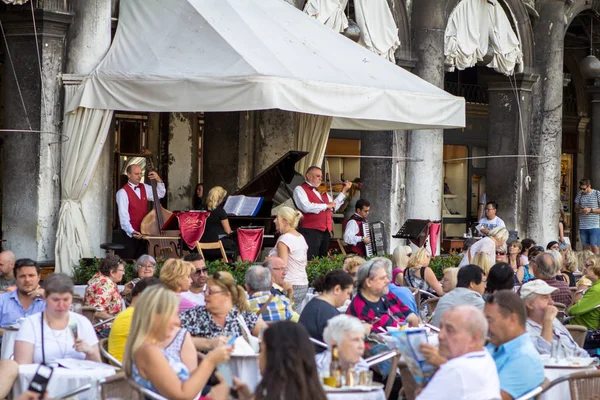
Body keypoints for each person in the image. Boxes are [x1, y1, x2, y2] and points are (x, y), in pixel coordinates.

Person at [123, 285, 231, 400]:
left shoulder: (148, 347)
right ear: (154, 316)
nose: (178, 321)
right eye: (173, 314)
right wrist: (210, 361)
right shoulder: (148, 351)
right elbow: (182, 395)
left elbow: (181, 385)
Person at [417, 305, 500, 400]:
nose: (440, 336)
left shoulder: (456, 370)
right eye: (441, 328)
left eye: (450, 330)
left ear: (474, 338)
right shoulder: (485, 357)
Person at [14, 273, 101, 364]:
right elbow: (23, 367)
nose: (61, 305)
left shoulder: (82, 322)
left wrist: (90, 351)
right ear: (45, 297)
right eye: (55, 300)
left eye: (66, 299)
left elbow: (98, 366)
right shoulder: (31, 324)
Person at [233, 321, 328, 400]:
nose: (258, 357)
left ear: (274, 357)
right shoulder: (314, 394)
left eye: (261, 351)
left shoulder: (276, 395)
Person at [484, 290, 545, 400]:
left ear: (512, 320)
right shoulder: (497, 345)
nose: (486, 327)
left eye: (490, 320)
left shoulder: (524, 358)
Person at [180, 271, 267, 344]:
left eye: (211, 291)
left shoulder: (244, 316)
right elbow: (173, 337)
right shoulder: (194, 315)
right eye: (205, 291)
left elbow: (270, 338)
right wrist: (206, 343)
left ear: (227, 295)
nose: (205, 294)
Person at [293, 166, 351, 260]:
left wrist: (343, 192)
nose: (321, 178)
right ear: (308, 176)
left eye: (321, 176)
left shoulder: (322, 192)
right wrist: (325, 206)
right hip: (310, 230)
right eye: (318, 176)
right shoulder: (300, 189)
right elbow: (306, 207)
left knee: (322, 258)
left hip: (325, 230)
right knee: (311, 258)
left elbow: (333, 206)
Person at [347, 258, 420, 331]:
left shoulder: (387, 295)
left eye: (386, 277)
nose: (388, 281)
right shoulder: (361, 307)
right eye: (382, 278)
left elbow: (411, 316)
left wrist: (412, 318)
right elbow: (376, 339)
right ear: (369, 282)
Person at [521, 280, 589, 358]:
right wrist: (548, 322)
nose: (552, 302)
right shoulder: (523, 330)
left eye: (551, 297)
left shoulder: (554, 321)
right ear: (529, 304)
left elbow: (575, 348)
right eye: (545, 298)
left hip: (581, 364)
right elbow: (546, 356)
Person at [116, 164, 165, 259]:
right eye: (136, 174)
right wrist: (132, 231)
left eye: (140, 174)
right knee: (129, 262)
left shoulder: (145, 187)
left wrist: (158, 180)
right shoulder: (122, 193)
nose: (139, 176)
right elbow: (123, 216)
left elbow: (160, 194)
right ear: (129, 175)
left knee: (142, 262)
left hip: (144, 233)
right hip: (129, 235)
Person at [108, 277, 163, 362]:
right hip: (127, 370)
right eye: (155, 296)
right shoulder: (131, 316)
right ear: (141, 294)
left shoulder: (134, 314)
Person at [299, 269, 354, 351]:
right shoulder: (328, 312)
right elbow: (341, 346)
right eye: (348, 293)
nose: (348, 298)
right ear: (337, 289)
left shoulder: (315, 304)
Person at [268, 206, 309, 311]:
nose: (274, 221)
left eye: (277, 218)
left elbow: (282, 266)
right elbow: (305, 263)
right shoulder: (300, 237)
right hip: (303, 283)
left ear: (285, 221)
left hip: (289, 284)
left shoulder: (285, 239)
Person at [0, 259, 46, 332]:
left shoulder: (47, 302)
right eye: (22, 276)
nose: (27, 280)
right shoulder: (2, 300)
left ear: (39, 277)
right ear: (16, 279)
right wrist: (12, 333)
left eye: (31, 275)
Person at [83, 254, 125, 320]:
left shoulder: (97, 278)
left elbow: (107, 299)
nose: (123, 273)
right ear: (112, 272)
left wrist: (123, 293)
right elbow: (96, 311)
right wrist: (116, 320)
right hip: (104, 328)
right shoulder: (107, 284)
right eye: (122, 270)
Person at [201, 186, 234, 260]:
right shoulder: (220, 211)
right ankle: (236, 267)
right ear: (220, 199)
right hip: (217, 245)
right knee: (237, 245)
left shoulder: (201, 210)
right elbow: (228, 231)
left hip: (202, 244)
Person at [567, 256, 600, 330]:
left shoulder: (596, 290)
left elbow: (574, 310)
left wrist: (568, 311)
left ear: (597, 267)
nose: (584, 268)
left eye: (587, 265)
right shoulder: (596, 286)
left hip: (583, 331)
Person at [575, 178, 600, 254]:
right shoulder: (580, 194)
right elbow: (575, 209)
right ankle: (587, 263)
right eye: (581, 188)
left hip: (594, 225)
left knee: (594, 245)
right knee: (585, 247)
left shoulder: (597, 193)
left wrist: (591, 210)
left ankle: (596, 264)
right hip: (583, 225)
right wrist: (581, 210)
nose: (582, 190)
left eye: (584, 189)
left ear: (589, 186)